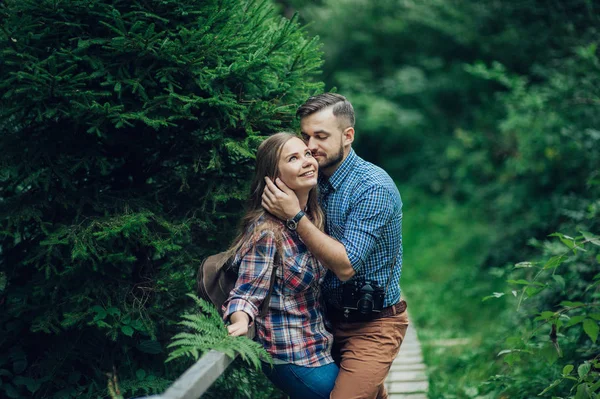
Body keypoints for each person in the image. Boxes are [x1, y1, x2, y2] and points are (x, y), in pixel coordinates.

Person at [262, 93, 408, 399]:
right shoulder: (310, 181)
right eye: (305, 136)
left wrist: (294, 215)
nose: (310, 146)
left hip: (373, 325)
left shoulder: (373, 187)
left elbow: (345, 266)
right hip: (323, 322)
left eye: (321, 136)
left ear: (348, 136)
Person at [222, 132, 339, 399]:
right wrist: (240, 321)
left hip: (319, 346)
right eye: (294, 158)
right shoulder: (267, 232)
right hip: (290, 355)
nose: (307, 161)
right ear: (274, 178)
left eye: (307, 154)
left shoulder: (313, 218)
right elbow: (245, 294)